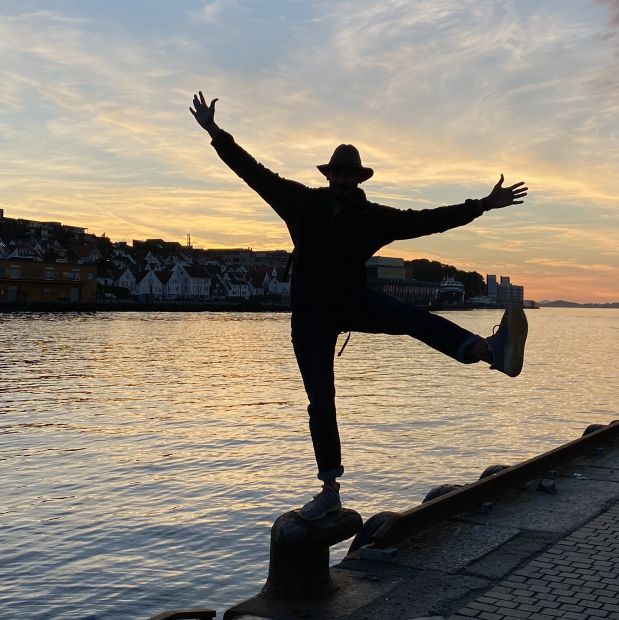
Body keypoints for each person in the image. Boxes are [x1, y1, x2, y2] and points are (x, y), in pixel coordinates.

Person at [190, 91, 529, 521]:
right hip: (310, 315)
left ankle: (490, 352)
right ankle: (329, 488)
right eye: (338, 172)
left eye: (348, 174)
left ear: (357, 178)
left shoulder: (374, 218)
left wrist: (481, 205)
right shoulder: (301, 202)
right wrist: (215, 132)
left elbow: (428, 220)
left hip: (352, 301)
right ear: (330, 174)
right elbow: (252, 172)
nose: (342, 179)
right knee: (320, 398)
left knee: (412, 317)